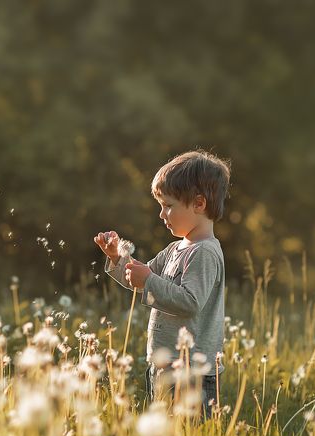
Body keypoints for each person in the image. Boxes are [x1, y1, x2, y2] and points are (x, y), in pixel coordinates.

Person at [94, 150, 230, 419]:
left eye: (168, 205)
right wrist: (117, 258)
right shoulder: (175, 249)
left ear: (199, 204)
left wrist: (149, 280)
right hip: (164, 364)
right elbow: (141, 280)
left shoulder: (204, 252)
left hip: (191, 371)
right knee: (167, 435)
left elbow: (190, 302)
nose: (161, 214)